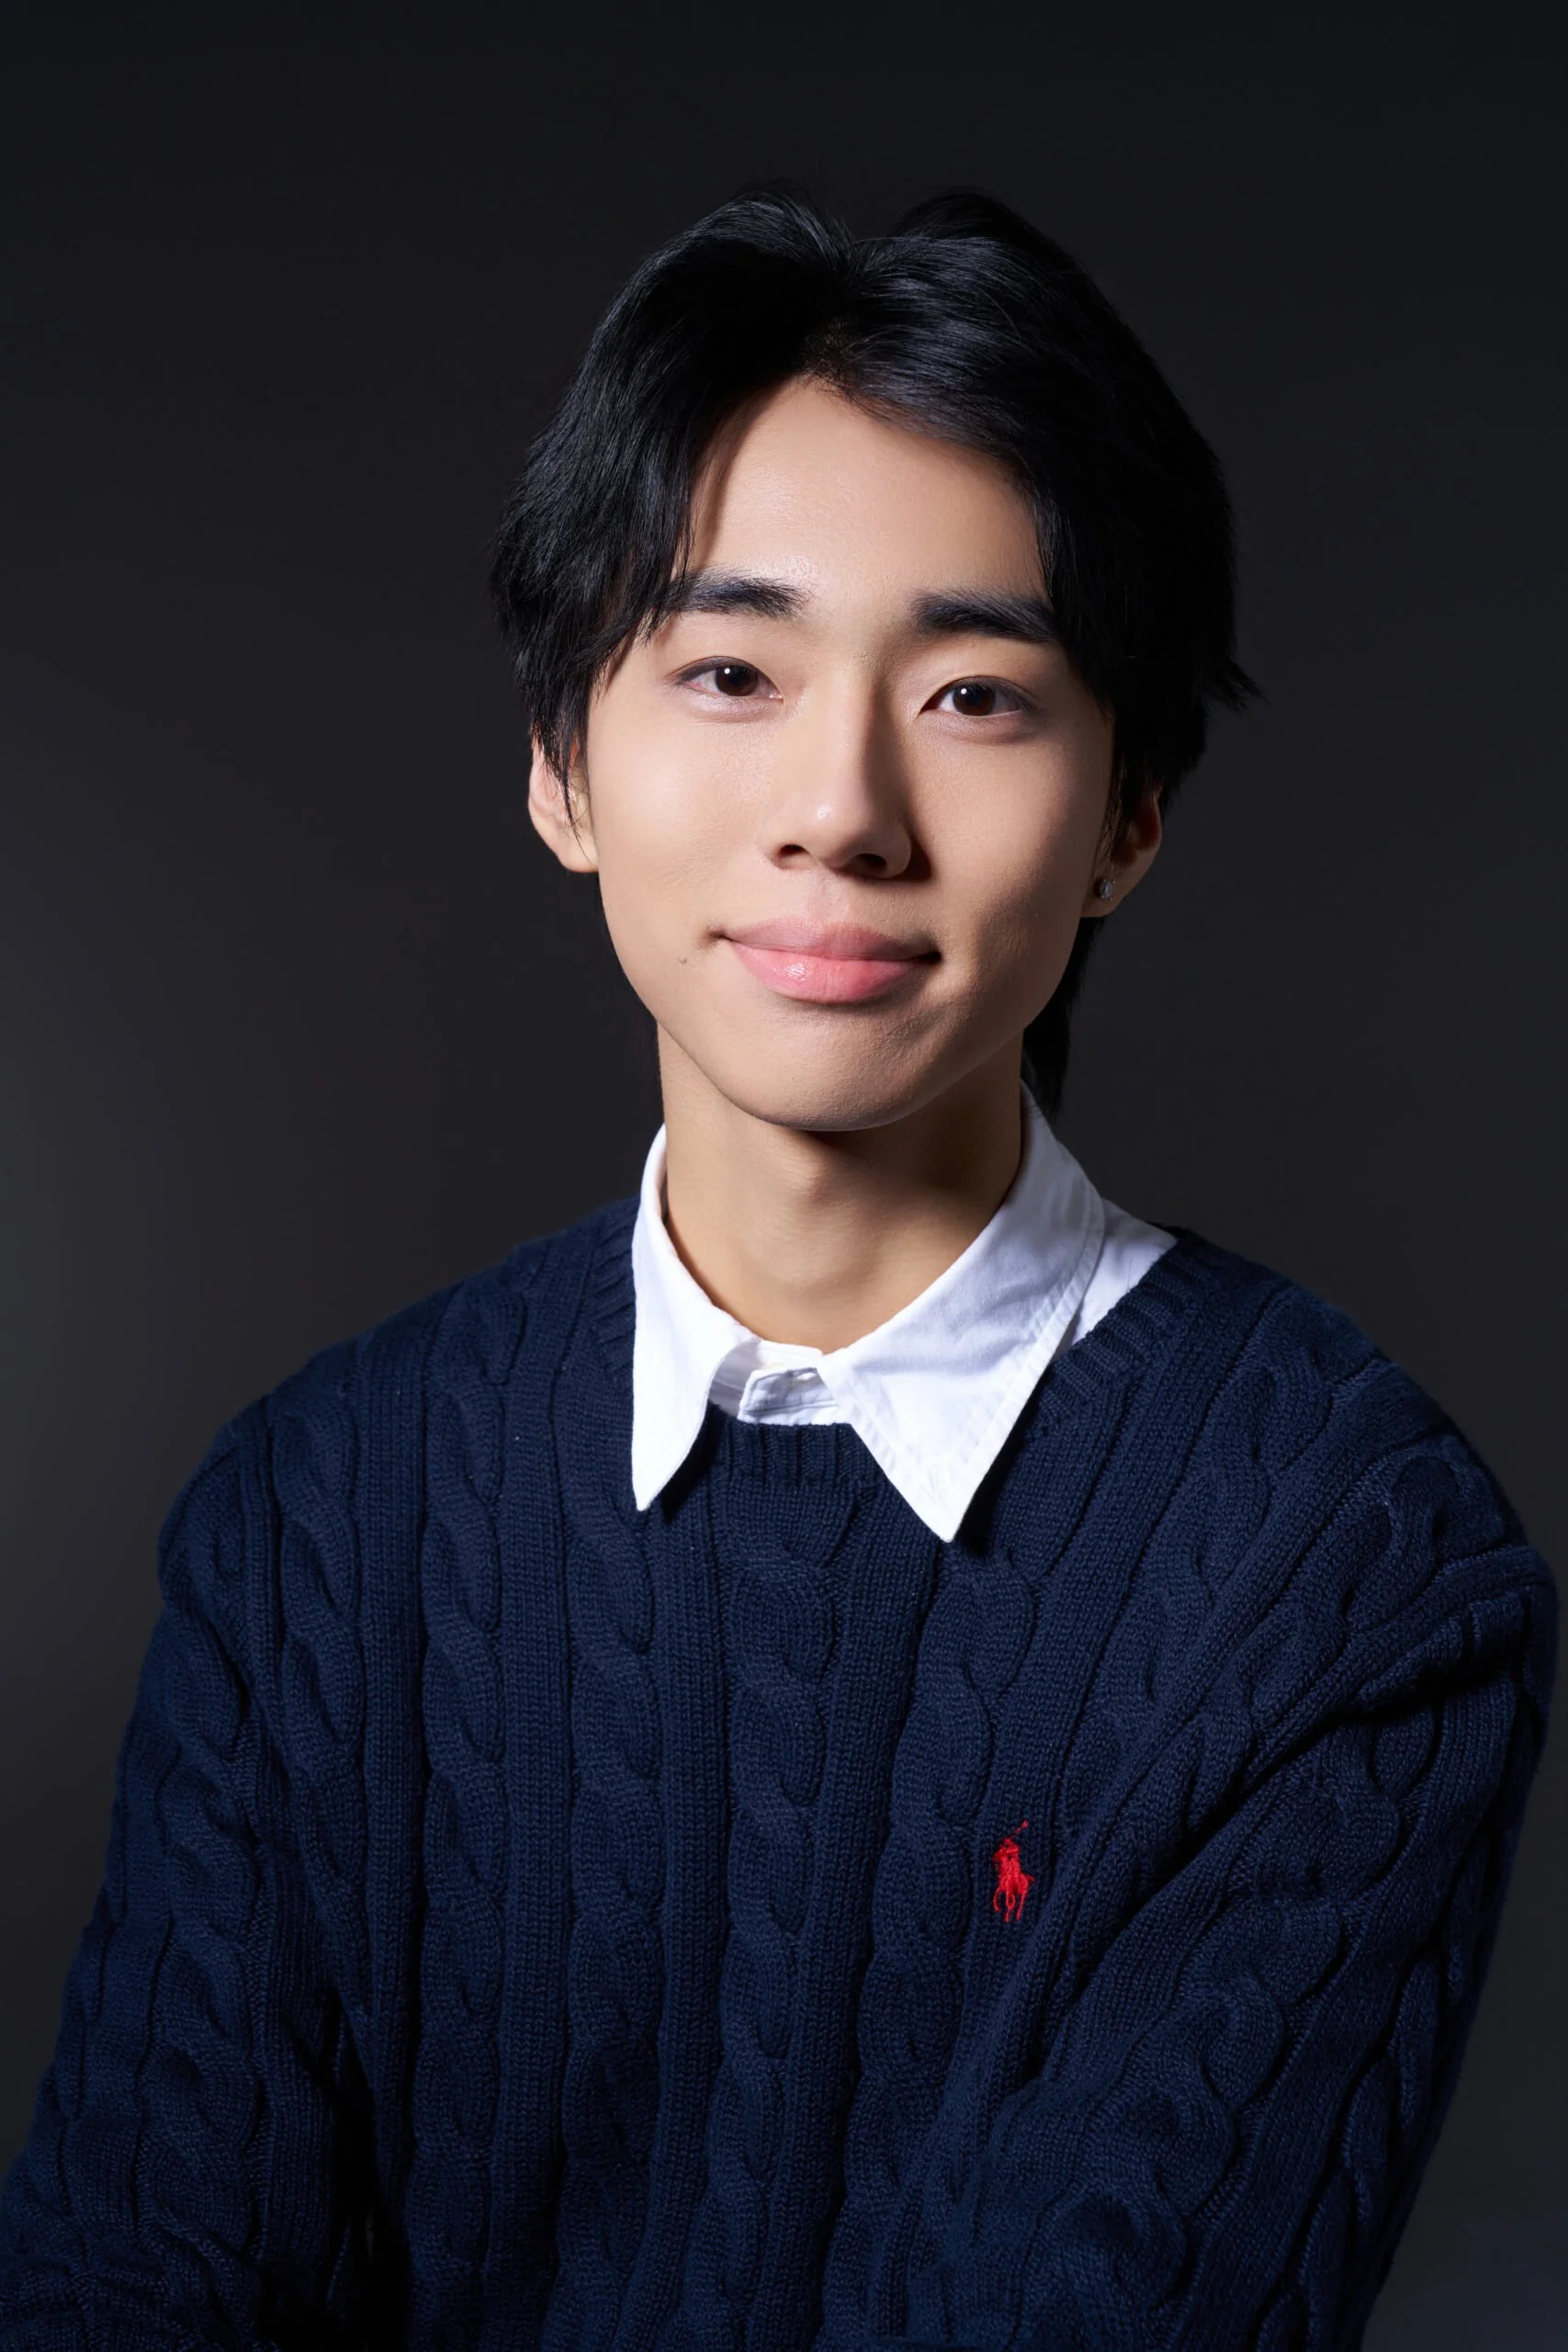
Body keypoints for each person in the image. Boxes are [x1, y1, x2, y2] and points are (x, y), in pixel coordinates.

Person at [0, 186, 1554, 2352]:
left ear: (1130, 812)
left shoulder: (1346, 1567)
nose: (841, 803)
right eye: (728, 669)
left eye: (978, 693)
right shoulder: (316, 1526)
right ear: (562, 761)